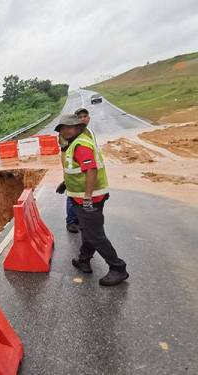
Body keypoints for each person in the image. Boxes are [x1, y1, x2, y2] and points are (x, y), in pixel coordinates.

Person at [54, 114, 129, 286]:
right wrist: (66, 183)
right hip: (85, 198)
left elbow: (91, 170)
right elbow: (78, 169)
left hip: (90, 199)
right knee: (89, 231)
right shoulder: (73, 144)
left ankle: (118, 268)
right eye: (62, 128)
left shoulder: (80, 145)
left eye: (69, 127)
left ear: (78, 127)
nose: (65, 130)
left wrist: (87, 198)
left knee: (95, 235)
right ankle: (84, 259)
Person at [56, 108, 91, 233]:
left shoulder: (88, 132)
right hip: (72, 167)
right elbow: (68, 154)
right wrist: (66, 178)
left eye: (85, 116)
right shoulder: (67, 135)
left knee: (78, 196)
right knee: (72, 196)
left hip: (81, 169)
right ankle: (71, 221)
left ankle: (79, 219)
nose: (83, 118)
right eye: (80, 117)